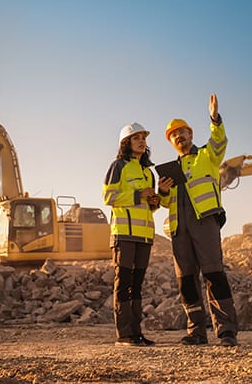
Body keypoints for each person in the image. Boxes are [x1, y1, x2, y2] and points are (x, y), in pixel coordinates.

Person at [158, 93, 239, 347]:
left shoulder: (207, 156)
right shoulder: (170, 171)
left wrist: (214, 118)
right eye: (174, 135)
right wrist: (161, 191)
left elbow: (219, 141)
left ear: (191, 135)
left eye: (182, 132)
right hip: (178, 228)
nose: (178, 137)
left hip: (205, 222)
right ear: (171, 142)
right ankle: (196, 331)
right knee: (186, 281)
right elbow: (164, 202)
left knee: (214, 274)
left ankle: (226, 331)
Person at [103, 122, 159, 347]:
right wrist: (138, 195)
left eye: (143, 138)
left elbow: (150, 206)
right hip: (124, 234)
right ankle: (124, 334)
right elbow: (109, 197)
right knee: (123, 282)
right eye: (136, 138)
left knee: (136, 285)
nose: (142, 141)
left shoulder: (148, 172)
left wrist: (155, 201)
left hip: (144, 236)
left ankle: (136, 333)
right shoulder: (118, 166)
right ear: (126, 143)